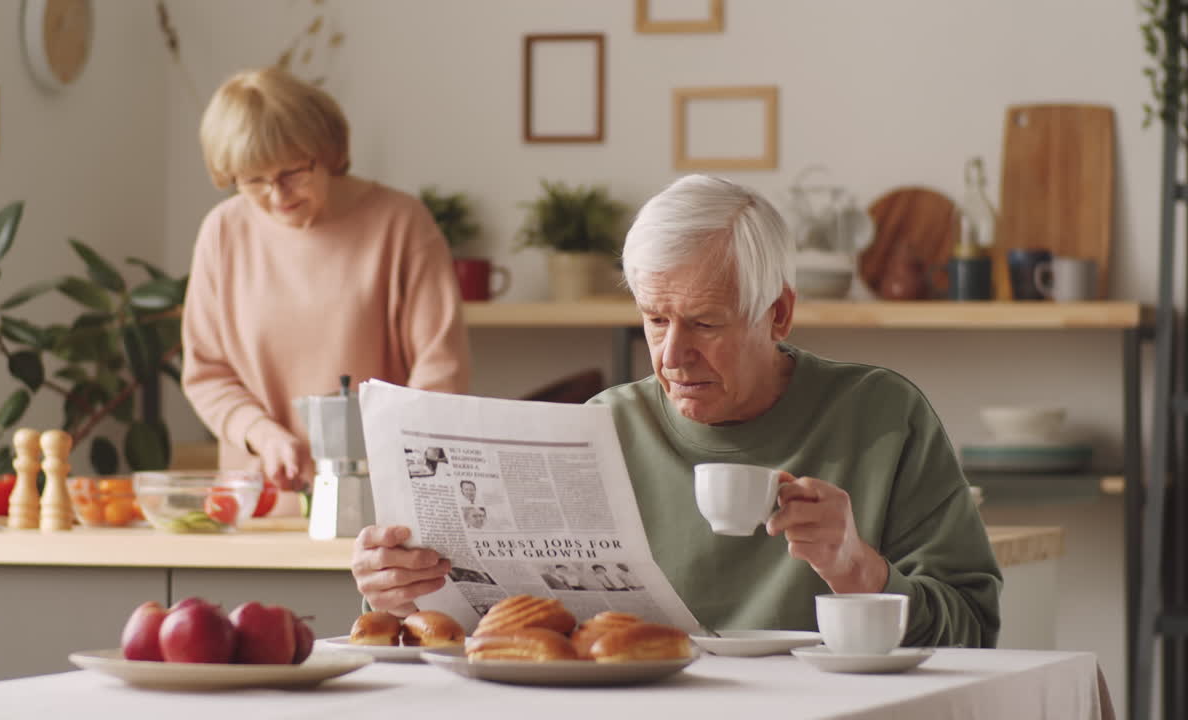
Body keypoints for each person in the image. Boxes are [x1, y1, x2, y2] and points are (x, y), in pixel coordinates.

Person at [350, 175, 1001, 651]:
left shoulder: (883, 417)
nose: (672, 354)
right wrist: (403, 594)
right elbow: (516, 639)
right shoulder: (601, 428)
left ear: (777, 314)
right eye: (654, 319)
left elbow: (974, 632)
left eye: (706, 323)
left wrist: (860, 570)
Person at [181, 66, 470, 489]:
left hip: (384, 494)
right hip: (261, 495)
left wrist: (391, 459)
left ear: (328, 151)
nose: (278, 195)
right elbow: (207, 373)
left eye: (293, 172)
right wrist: (262, 435)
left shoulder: (401, 223)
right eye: (254, 180)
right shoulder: (223, 232)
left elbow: (441, 368)